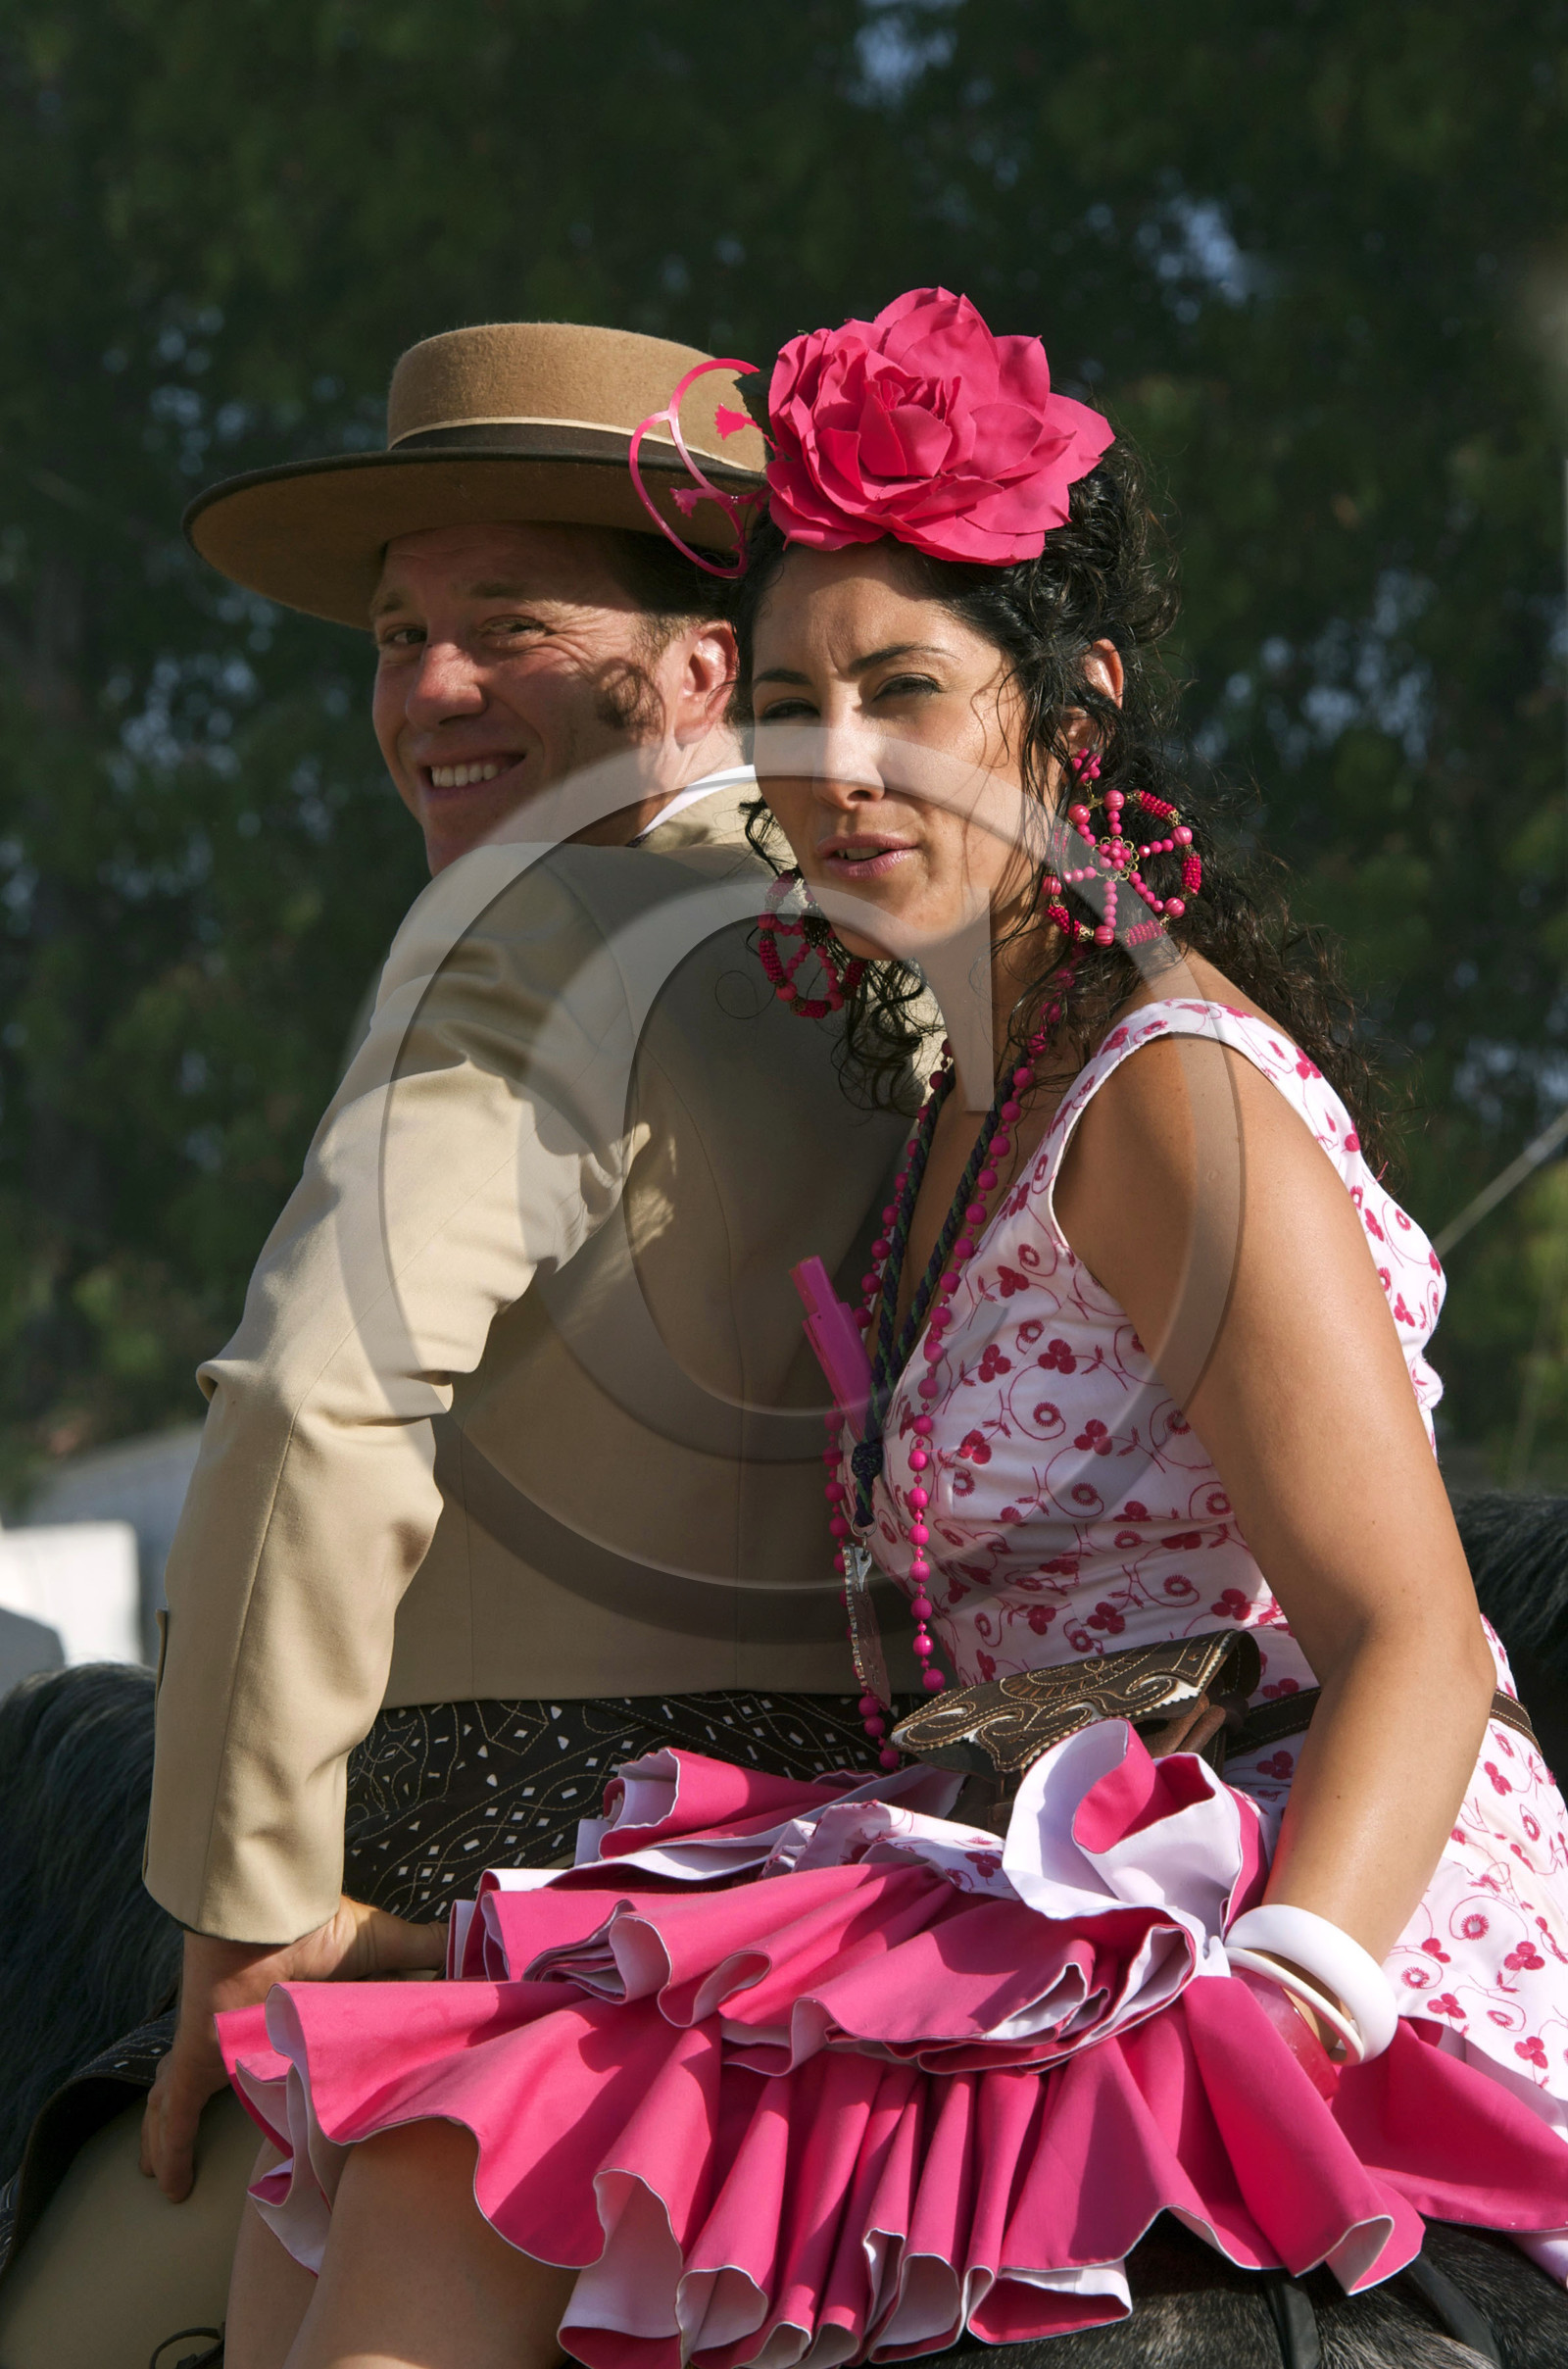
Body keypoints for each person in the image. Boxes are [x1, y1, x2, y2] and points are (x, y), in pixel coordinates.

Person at [219, 287, 1568, 2367]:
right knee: (433, 2150)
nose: (837, 772)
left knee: (459, 2154)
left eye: (904, 695)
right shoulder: (951, 1078)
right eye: (786, 703)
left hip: (1275, 1898)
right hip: (1010, 1869)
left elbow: (1410, 1634)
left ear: (1071, 706)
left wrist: (1284, 1999)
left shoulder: (1158, 1089)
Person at [0, 321, 918, 2369]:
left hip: (487, 1908)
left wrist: (245, 1928)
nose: (425, 691)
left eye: (505, 626)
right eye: (398, 635)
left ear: (699, 667)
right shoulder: (895, 960)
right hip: (849, 1902)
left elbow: (317, 1406)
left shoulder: (520, 935)